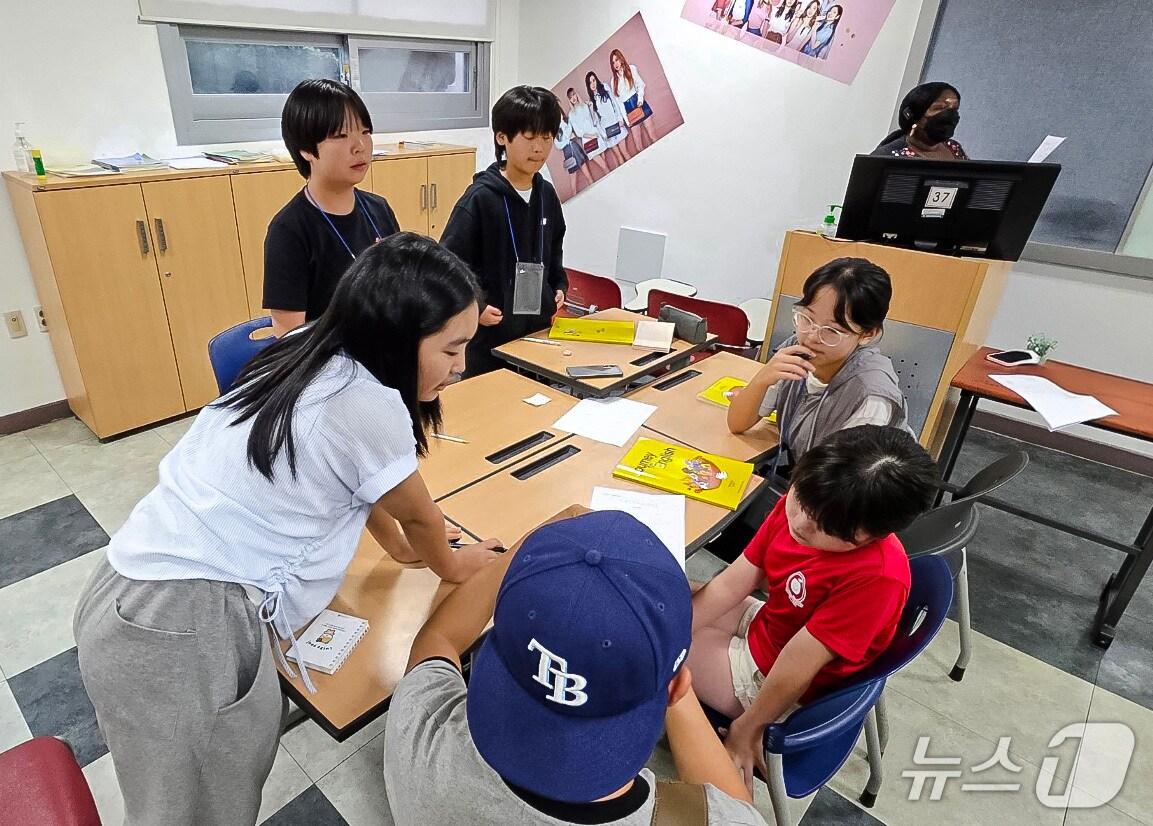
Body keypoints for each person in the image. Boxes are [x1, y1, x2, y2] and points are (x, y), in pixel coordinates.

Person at [73, 234, 503, 826]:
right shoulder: (369, 403)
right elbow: (419, 513)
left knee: (176, 798)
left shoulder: (309, 345)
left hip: (130, 595)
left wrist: (401, 552)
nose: (461, 367)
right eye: (452, 349)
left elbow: (360, 483)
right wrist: (454, 566)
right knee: (190, 810)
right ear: (400, 338)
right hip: (183, 628)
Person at [384, 508, 769, 825]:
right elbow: (736, 809)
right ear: (677, 686)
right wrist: (664, 669)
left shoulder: (420, 726)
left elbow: (438, 639)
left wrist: (534, 547)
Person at [688, 425, 938, 790]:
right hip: (773, 626)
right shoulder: (816, 496)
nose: (801, 524)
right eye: (800, 501)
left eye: (823, 528)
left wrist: (749, 728)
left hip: (778, 683)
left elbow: (798, 663)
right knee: (659, 609)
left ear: (871, 536)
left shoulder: (878, 577)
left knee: (653, 649)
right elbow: (732, 583)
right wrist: (675, 624)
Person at [728, 258, 911, 468]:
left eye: (832, 331)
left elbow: (842, 484)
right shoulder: (796, 351)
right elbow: (737, 424)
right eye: (806, 318)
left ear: (868, 334)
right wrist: (762, 379)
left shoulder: (870, 396)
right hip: (804, 478)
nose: (812, 336)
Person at [440, 86, 568, 377]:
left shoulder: (546, 194)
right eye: (530, 136)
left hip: (537, 331)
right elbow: (448, 265)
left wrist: (558, 285)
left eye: (547, 137)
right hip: (490, 338)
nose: (539, 147)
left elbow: (555, 247)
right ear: (502, 137)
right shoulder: (480, 198)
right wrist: (475, 306)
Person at [263, 79, 400, 339]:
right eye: (340, 135)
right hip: (331, 367)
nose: (359, 146)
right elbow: (289, 336)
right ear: (305, 149)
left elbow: (399, 293)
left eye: (365, 132)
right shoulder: (289, 230)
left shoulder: (378, 209)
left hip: (385, 356)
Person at [873, 82, 968, 160]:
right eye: (939, 107)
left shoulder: (954, 147)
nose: (949, 115)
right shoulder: (887, 157)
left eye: (955, 109)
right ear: (915, 116)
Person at [610, 48, 655, 154]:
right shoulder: (613, 81)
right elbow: (619, 102)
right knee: (639, 146)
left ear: (621, 59)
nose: (615, 64)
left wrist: (640, 100)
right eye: (613, 62)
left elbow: (641, 85)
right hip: (628, 108)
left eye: (616, 60)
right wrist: (626, 120)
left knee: (653, 137)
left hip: (639, 103)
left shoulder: (631, 69)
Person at [586, 70, 630, 167]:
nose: (593, 84)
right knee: (618, 156)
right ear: (588, 86)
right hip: (606, 129)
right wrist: (603, 133)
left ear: (596, 80)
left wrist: (620, 119)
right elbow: (596, 121)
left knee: (625, 152)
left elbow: (615, 103)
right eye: (590, 83)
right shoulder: (591, 100)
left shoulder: (605, 87)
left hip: (616, 122)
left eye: (593, 80)